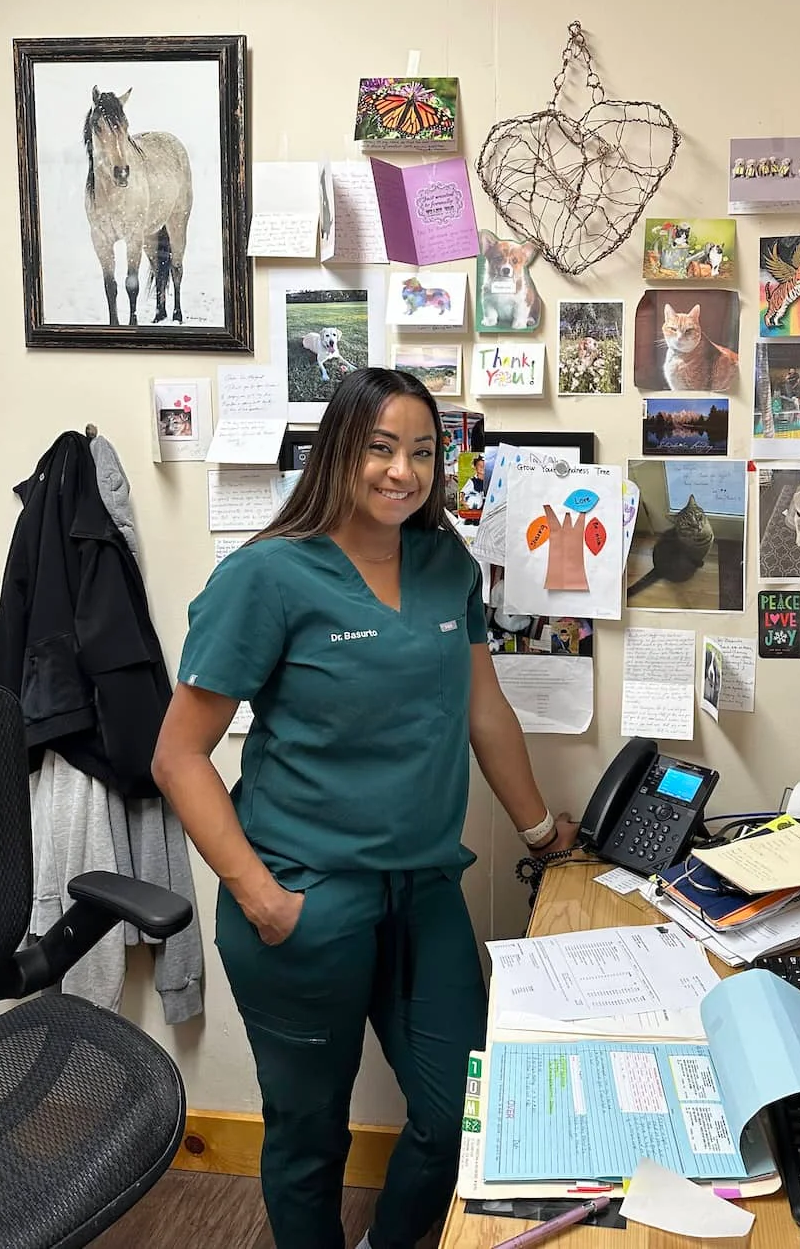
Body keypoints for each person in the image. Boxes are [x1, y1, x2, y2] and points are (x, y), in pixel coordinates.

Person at [152, 368, 576, 1249]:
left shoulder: (444, 563)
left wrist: (540, 829)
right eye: (381, 447)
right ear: (340, 450)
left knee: (459, 1111)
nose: (402, 471)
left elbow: (481, 706)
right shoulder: (267, 575)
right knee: (310, 1134)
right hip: (305, 898)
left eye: (422, 452)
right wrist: (264, 898)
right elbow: (178, 756)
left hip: (422, 891)